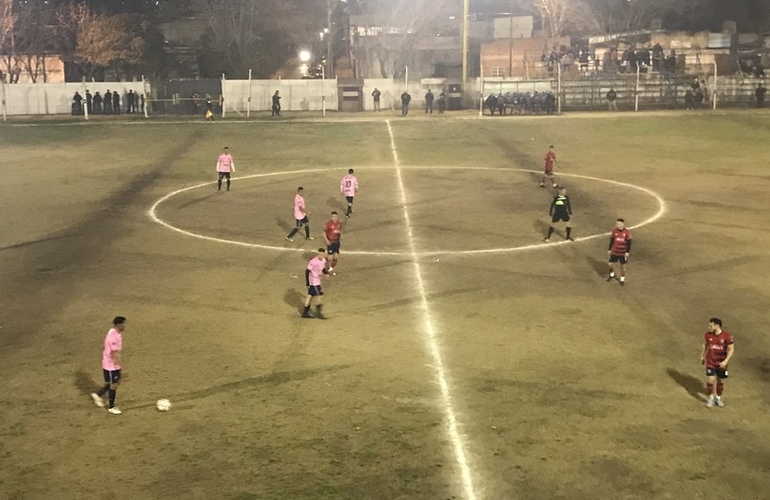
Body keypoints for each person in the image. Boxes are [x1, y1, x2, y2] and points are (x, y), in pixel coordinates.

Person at [90, 316, 126, 415]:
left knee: (113, 381)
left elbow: (104, 346)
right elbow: (114, 354)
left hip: (109, 363)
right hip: (111, 366)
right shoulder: (113, 337)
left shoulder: (112, 332)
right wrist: (121, 366)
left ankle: (98, 395)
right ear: (119, 324)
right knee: (113, 385)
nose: (124, 326)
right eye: (123, 324)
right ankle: (111, 406)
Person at [701, 317, 735, 408]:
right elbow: (706, 345)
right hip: (710, 362)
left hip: (721, 363)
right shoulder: (708, 335)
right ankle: (711, 398)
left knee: (720, 381)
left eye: (710, 326)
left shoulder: (726, 336)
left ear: (717, 325)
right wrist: (702, 356)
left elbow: (731, 349)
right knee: (710, 380)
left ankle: (718, 397)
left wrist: (725, 361)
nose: (709, 327)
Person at [302, 248, 331, 318]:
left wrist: (326, 273)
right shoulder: (313, 261)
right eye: (319, 254)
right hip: (313, 281)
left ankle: (305, 312)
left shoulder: (323, 260)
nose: (320, 256)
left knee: (310, 295)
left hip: (317, 281)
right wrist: (308, 283)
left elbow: (322, 269)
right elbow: (307, 271)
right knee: (319, 295)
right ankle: (319, 313)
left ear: (324, 254)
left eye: (321, 254)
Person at [607, 218, 632, 286]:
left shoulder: (627, 232)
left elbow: (629, 243)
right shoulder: (614, 231)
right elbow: (612, 240)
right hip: (615, 251)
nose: (618, 225)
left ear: (623, 224)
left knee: (623, 266)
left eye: (619, 224)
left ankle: (622, 279)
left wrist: (627, 252)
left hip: (623, 253)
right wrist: (609, 249)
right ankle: (612, 275)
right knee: (610, 264)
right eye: (617, 224)